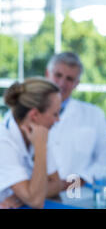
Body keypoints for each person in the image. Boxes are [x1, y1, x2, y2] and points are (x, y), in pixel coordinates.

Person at [46, 52, 106, 186]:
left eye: (69, 79)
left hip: (78, 197)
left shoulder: (94, 115)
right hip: (36, 197)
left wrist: (79, 180)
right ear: (47, 74)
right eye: (58, 75)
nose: (62, 83)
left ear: (77, 83)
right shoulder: (27, 113)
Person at [0, 78, 63, 209]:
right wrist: (40, 147)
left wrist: (21, 196)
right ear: (34, 115)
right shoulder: (3, 141)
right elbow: (36, 201)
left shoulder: (38, 133)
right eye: (55, 114)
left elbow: (57, 183)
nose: (58, 120)